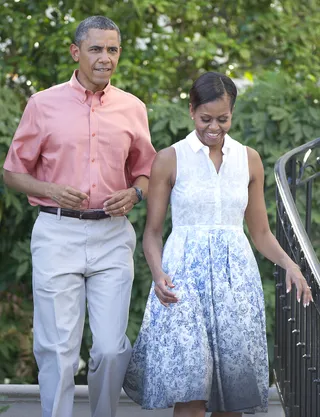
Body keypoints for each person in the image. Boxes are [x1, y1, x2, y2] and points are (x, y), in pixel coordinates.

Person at [123, 72, 313, 417]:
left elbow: (261, 233)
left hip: (235, 284)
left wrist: (291, 264)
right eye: (205, 118)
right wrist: (157, 273)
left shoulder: (248, 158)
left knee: (230, 399)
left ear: (232, 114)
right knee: (191, 393)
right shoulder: (170, 158)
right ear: (192, 110)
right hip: (184, 283)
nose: (214, 127)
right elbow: (152, 232)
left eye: (223, 119)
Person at [3, 15, 156, 417]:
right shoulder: (42, 104)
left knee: (109, 346)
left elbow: (146, 170)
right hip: (56, 234)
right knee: (57, 348)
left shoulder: (132, 108)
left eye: (112, 49)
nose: (105, 58)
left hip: (111, 236)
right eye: (96, 49)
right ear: (76, 52)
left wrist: (136, 193)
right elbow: (12, 173)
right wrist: (50, 189)